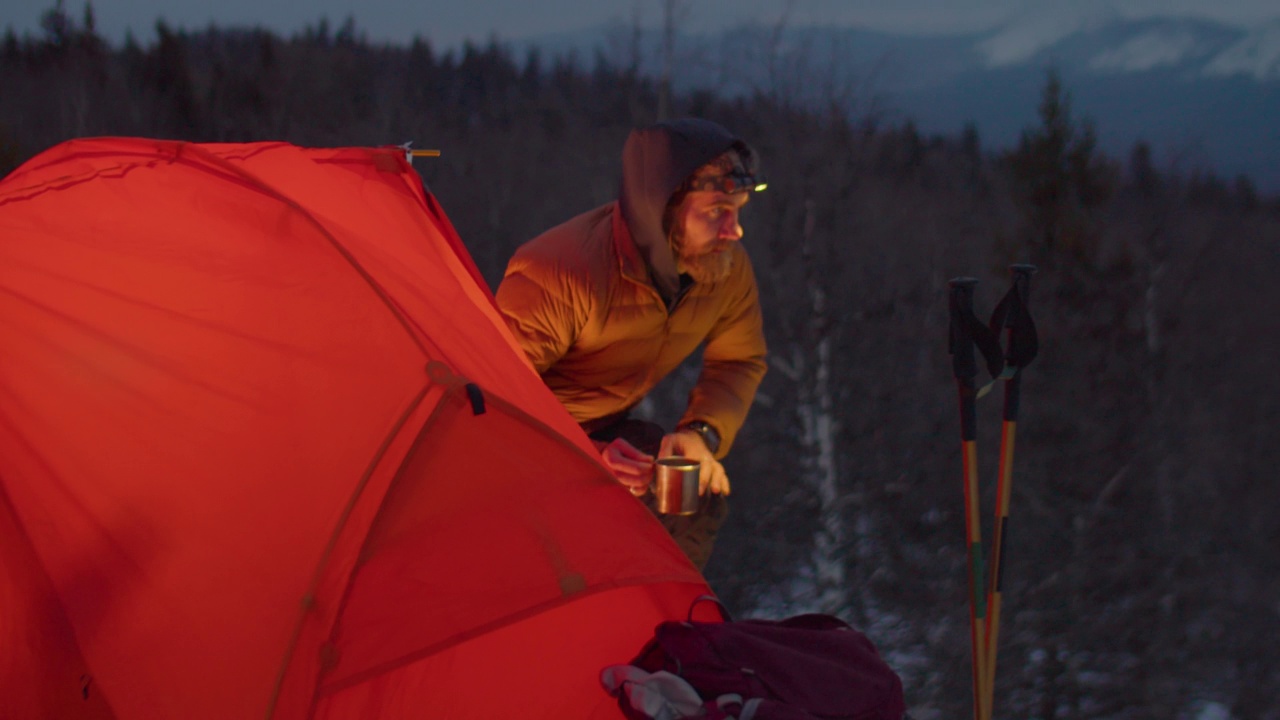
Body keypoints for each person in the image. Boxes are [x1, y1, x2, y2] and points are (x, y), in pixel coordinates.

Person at [495, 118, 768, 570]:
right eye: (718, 209)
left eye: (739, 209)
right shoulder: (562, 271)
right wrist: (584, 458)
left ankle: (668, 623)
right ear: (662, 207)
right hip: (522, 445)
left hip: (606, 428)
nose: (734, 231)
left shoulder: (722, 268)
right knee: (580, 539)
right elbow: (490, 399)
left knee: (694, 495)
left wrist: (701, 433)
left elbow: (739, 359)